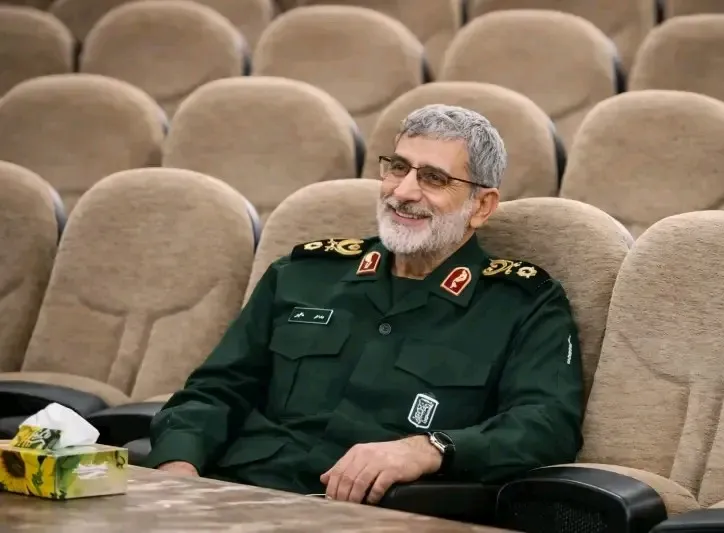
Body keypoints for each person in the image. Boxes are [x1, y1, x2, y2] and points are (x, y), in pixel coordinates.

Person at [144, 104, 585, 504]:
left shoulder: (522, 303)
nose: (404, 191)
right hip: (232, 494)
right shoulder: (302, 274)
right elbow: (215, 390)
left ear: (481, 206)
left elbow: (545, 426)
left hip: (372, 515)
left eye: (433, 178)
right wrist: (178, 470)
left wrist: (429, 448)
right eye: (398, 168)